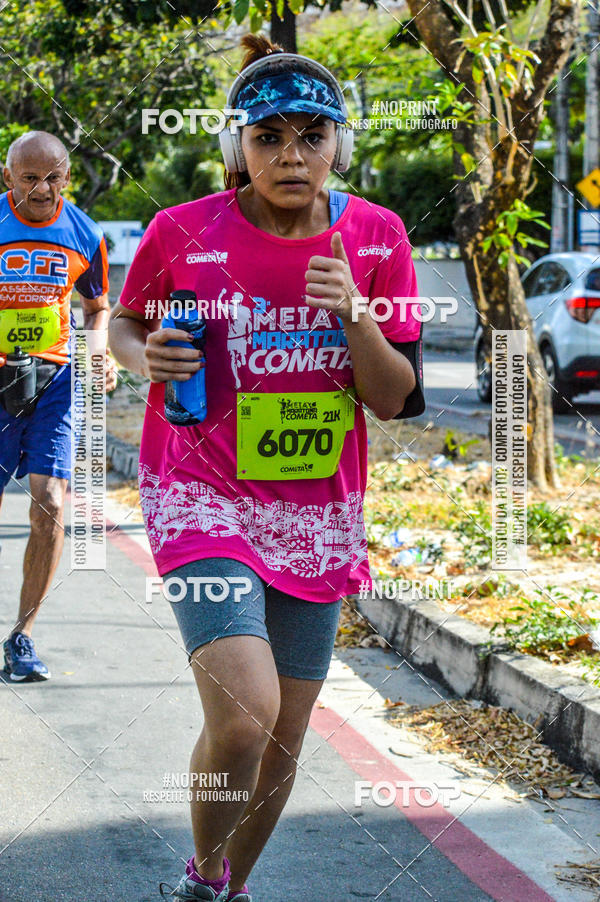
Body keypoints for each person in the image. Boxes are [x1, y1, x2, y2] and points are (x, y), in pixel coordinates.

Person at [108, 33, 424, 902]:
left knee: (285, 732)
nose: (292, 155)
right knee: (245, 715)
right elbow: (126, 323)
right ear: (237, 147)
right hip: (199, 491)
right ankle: (205, 870)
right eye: (269, 137)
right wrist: (146, 357)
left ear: (338, 145)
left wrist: (356, 313)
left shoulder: (377, 235)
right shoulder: (183, 231)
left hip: (316, 509)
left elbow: (394, 397)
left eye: (312, 136)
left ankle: (221, 886)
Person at [0, 130, 117, 682]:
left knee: (48, 503)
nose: (43, 189)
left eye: (54, 177)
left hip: (55, 381)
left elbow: (97, 307)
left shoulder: (84, 233)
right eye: (30, 178)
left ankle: (21, 636)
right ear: (8, 178)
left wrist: (99, 351)